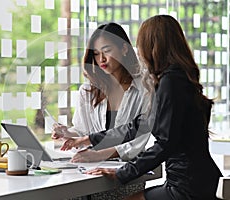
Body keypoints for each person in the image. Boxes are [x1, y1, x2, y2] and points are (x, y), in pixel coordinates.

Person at [61, 15, 223, 200]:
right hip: (193, 179)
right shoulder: (175, 78)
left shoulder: (171, 82)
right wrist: (88, 139)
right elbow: (139, 125)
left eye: (141, 44)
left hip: (187, 185)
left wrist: (122, 173)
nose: (138, 51)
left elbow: (164, 144)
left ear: (154, 46)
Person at [52, 22, 151, 199]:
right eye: (96, 54)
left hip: (126, 173)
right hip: (90, 169)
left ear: (124, 49)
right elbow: (83, 131)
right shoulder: (88, 90)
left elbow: (138, 142)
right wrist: (68, 133)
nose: (101, 60)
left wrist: (97, 155)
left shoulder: (143, 88)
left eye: (107, 51)